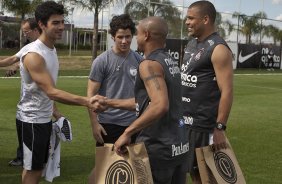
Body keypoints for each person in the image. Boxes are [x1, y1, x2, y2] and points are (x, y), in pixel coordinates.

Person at [12, 1, 103, 184]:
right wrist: (87, 101)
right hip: (32, 120)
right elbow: (51, 91)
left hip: (42, 118)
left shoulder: (51, 50)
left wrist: (56, 113)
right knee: (34, 171)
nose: (61, 27)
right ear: (41, 24)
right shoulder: (34, 55)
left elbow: (45, 92)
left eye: (62, 22)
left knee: (34, 167)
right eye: (55, 23)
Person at [100, 16, 188, 184]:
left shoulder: (148, 64)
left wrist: (127, 132)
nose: (135, 38)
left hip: (157, 149)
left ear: (146, 35)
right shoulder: (170, 61)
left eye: (137, 33)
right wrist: (109, 102)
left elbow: (159, 105)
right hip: (179, 146)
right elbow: (146, 102)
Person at [87, 14, 143, 183]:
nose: (124, 41)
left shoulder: (140, 60)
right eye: (120, 37)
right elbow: (90, 96)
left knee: (132, 171)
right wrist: (95, 123)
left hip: (134, 125)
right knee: (104, 171)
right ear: (112, 37)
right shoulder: (101, 61)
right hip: (108, 125)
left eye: (127, 37)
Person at [181, 1, 233, 183]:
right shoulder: (191, 44)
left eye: (191, 18)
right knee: (194, 174)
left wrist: (220, 127)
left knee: (209, 178)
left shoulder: (218, 49)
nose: (186, 22)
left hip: (204, 126)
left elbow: (226, 91)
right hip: (185, 122)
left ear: (205, 19)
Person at [0, 18, 41, 167]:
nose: (24, 34)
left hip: (37, 104)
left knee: (33, 135)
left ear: (36, 29)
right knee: (23, 129)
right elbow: (17, 59)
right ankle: (23, 157)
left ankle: (34, 160)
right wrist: (17, 66)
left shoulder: (44, 47)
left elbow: (14, 59)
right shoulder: (29, 46)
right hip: (27, 101)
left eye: (26, 31)